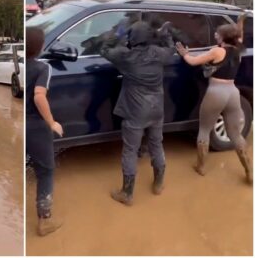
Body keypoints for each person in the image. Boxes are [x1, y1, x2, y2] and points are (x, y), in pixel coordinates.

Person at [100, 21, 175, 205]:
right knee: (156, 145)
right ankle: (158, 185)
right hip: (157, 109)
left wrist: (118, 30)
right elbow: (171, 48)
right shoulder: (159, 54)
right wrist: (165, 34)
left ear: (131, 38)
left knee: (130, 150)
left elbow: (104, 48)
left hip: (135, 111)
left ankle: (127, 194)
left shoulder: (126, 56)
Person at [176, 23, 252, 183]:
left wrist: (184, 53)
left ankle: (201, 166)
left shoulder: (217, 51)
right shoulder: (239, 49)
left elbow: (192, 62)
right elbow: (239, 36)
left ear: (223, 37)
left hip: (216, 92)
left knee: (204, 130)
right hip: (233, 92)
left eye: (217, 33)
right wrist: (240, 21)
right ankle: (249, 171)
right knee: (235, 134)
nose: (215, 35)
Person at [25, 26, 63, 236]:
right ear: (40, 47)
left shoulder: (20, 65)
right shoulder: (43, 68)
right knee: (46, 171)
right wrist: (51, 122)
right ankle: (45, 221)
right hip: (36, 126)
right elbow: (39, 96)